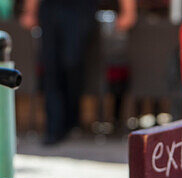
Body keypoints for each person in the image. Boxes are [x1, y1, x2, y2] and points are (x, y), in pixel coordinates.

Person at [20, 0, 136, 146]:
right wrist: (30, 11)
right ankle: (53, 128)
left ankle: (71, 121)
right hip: (50, 8)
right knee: (50, 65)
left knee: (72, 62)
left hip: (80, 8)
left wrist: (128, 11)